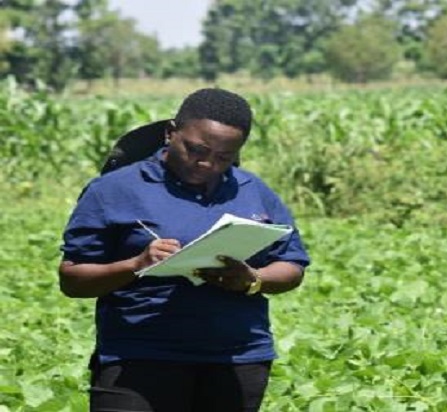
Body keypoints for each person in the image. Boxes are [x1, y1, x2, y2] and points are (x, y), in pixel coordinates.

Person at [58, 88, 310, 411]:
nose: (207, 163)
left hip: (236, 358)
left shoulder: (253, 191)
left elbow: (292, 266)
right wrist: (136, 263)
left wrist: (254, 279)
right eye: (196, 150)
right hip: (138, 358)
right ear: (170, 133)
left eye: (224, 157)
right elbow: (72, 279)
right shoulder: (113, 190)